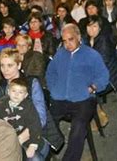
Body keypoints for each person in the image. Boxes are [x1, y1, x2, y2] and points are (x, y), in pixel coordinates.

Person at [46, 23, 109, 161]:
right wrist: (53, 88)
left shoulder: (92, 55)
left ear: (79, 37)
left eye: (71, 39)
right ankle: (45, 155)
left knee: (78, 129)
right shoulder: (60, 54)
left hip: (83, 99)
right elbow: (50, 72)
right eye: (64, 41)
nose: (67, 44)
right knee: (46, 122)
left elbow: (104, 77)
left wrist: (92, 87)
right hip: (60, 97)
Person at [0, 77, 44, 160]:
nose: (16, 94)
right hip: (5, 140)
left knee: (35, 158)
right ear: (8, 91)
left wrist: (33, 145)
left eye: (20, 92)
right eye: (14, 91)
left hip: (25, 142)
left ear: (25, 95)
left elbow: (35, 125)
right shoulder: (0, 105)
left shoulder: (29, 107)